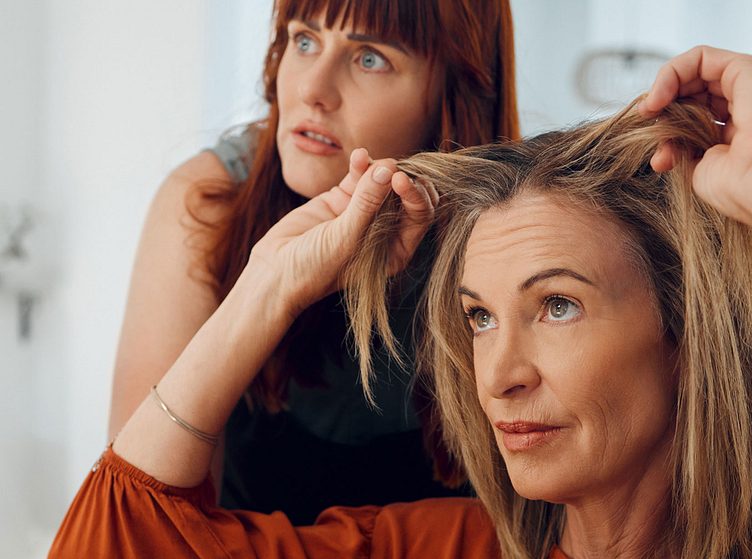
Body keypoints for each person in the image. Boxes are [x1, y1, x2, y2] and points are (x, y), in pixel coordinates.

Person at [49, 47, 752, 559]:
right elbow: (107, 546)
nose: (498, 372)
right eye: (478, 317)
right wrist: (267, 286)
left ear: (688, 335)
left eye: (557, 304)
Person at [108, 0, 519, 524]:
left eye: (370, 58)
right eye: (304, 41)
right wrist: (271, 285)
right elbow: (137, 530)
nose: (312, 91)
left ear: (452, 92)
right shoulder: (209, 201)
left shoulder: (512, 229)